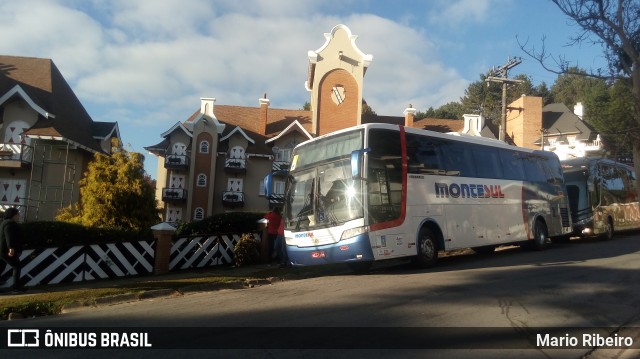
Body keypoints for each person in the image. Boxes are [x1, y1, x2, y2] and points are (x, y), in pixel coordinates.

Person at [0, 207, 26, 292]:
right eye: (17, 214)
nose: (18, 216)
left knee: (1, 267)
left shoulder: (4, 223)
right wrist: (11, 248)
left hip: (2, 250)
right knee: (16, 266)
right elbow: (9, 237)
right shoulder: (10, 224)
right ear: (13, 215)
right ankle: (16, 287)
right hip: (6, 250)